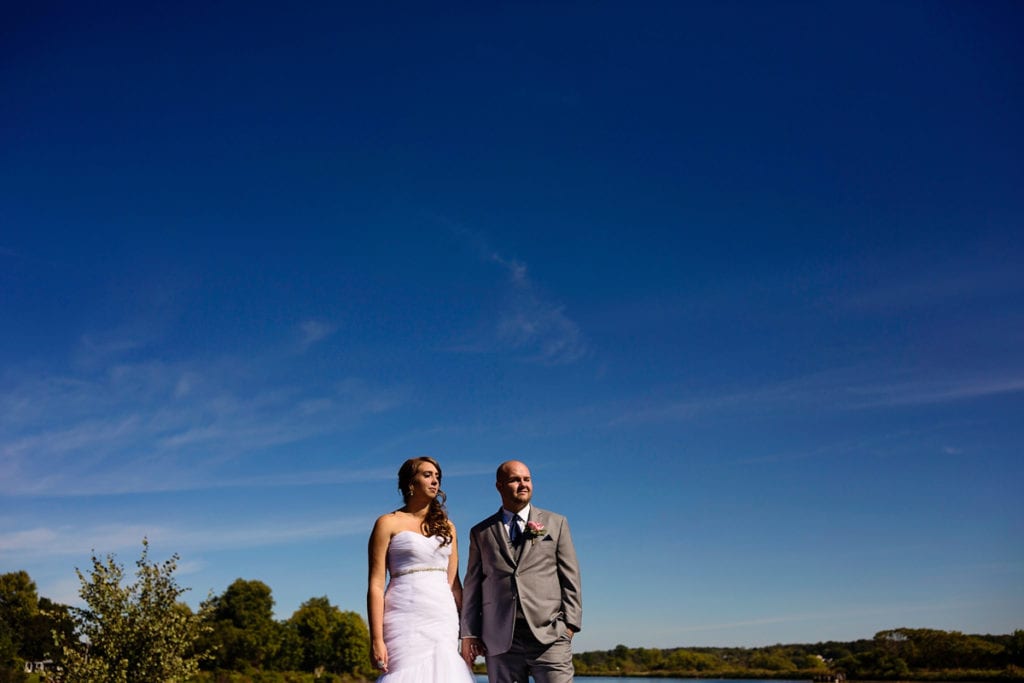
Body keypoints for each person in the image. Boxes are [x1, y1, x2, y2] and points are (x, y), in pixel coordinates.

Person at [460, 460, 582, 683]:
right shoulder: (480, 532)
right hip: (499, 640)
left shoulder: (557, 523)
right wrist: (470, 633)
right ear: (499, 486)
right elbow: (473, 585)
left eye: (527, 479)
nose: (523, 484)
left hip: (550, 636)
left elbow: (570, 578)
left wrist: (570, 626)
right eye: (515, 480)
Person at [367, 456, 476, 683]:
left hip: (442, 616)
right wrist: (376, 638)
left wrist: (469, 632)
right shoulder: (387, 523)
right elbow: (376, 586)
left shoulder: (448, 527)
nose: (435, 481)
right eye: (427, 475)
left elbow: (454, 585)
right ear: (410, 483)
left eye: (437, 477)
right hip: (403, 613)